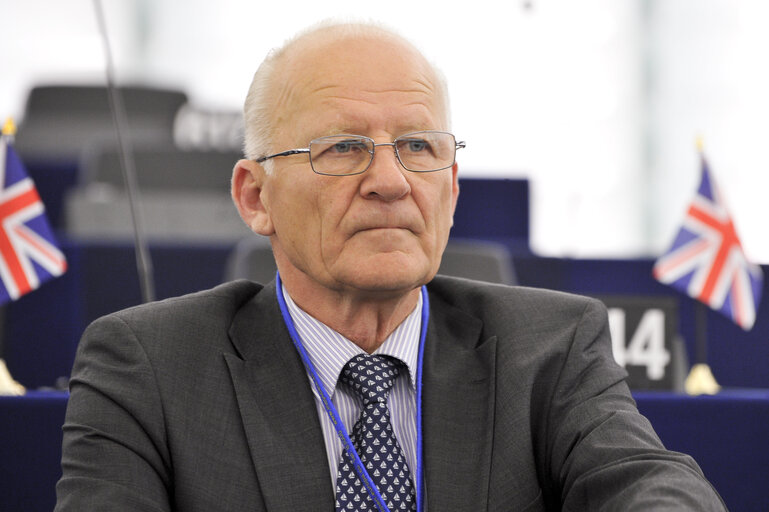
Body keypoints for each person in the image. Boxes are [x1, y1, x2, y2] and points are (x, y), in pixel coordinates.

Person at [55, 21, 726, 512]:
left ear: (451, 189)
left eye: (416, 146)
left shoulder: (549, 346)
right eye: (342, 148)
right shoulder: (149, 366)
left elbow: (653, 487)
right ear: (254, 197)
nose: (390, 180)